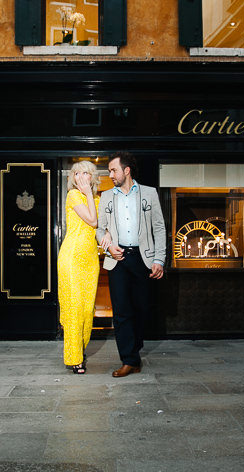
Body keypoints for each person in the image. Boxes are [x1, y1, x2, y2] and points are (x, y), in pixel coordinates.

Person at [96, 152, 166, 378]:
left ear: (127, 171)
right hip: (118, 259)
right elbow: (99, 229)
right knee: (122, 311)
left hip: (142, 258)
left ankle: (134, 350)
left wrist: (158, 259)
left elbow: (159, 228)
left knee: (142, 308)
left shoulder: (149, 193)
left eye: (114, 170)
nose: (111, 174)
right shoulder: (106, 196)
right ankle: (129, 359)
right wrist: (107, 246)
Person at [57, 160, 101, 374]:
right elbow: (92, 221)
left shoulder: (98, 199)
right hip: (72, 257)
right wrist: (89, 195)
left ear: (92, 177)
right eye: (77, 173)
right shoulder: (73, 196)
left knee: (87, 309)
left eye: (86, 173)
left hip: (91, 259)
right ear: (73, 178)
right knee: (74, 308)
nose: (82, 177)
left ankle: (79, 349)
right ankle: (74, 357)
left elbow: (103, 226)